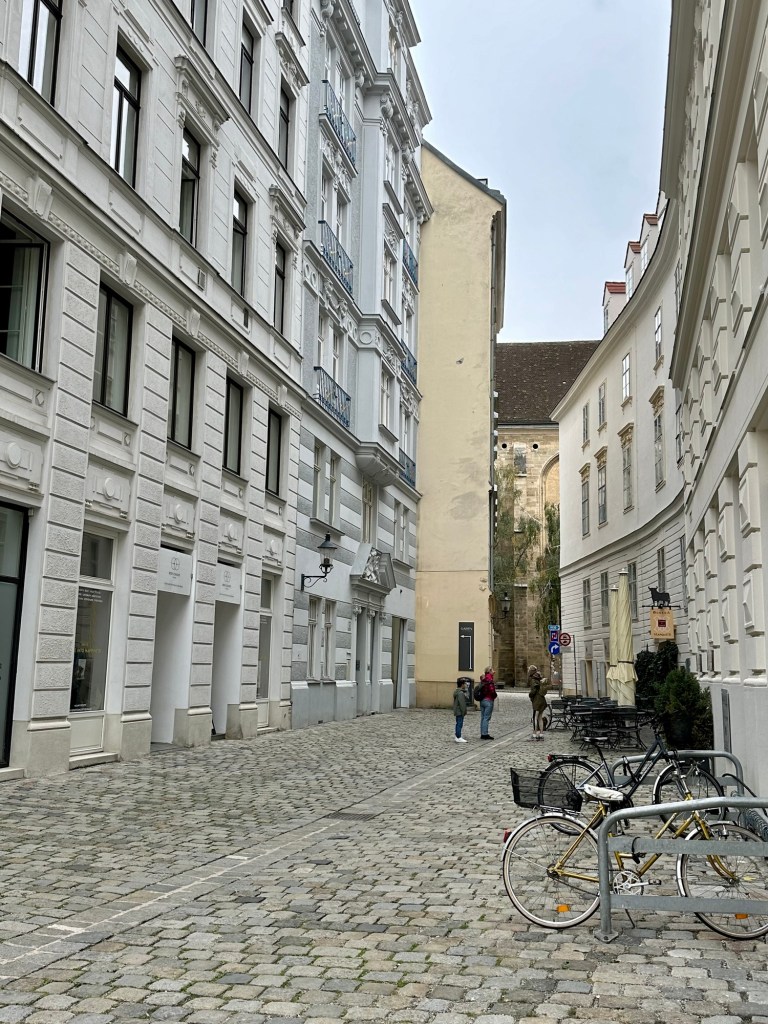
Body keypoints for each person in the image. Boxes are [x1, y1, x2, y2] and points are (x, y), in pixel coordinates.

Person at [528, 665, 550, 740]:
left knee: (535, 717)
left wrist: (530, 695)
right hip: (542, 700)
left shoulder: (533, 679)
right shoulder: (539, 678)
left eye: (529, 670)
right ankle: (541, 733)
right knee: (540, 717)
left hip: (537, 701)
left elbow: (533, 690)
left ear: (531, 671)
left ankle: (534, 733)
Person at [477, 666, 497, 740]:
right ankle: (485, 734)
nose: (494, 671)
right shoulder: (489, 679)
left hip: (482, 700)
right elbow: (492, 690)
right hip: (488, 700)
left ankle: (482, 733)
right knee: (486, 718)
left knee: (483, 717)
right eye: (492, 670)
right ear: (490, 671)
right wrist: (494, 696)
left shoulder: (484, 678)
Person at [452, 679, 468, 743]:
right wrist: (464, 711)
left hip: (457, 710)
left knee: (458, 723)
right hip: (460, 711)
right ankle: (459, 737)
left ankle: (457, 736)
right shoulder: (460, 693)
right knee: (459, 723)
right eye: (464, 684)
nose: (465, 685)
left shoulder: (457, 691)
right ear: (462, 685)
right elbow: (462, 704)